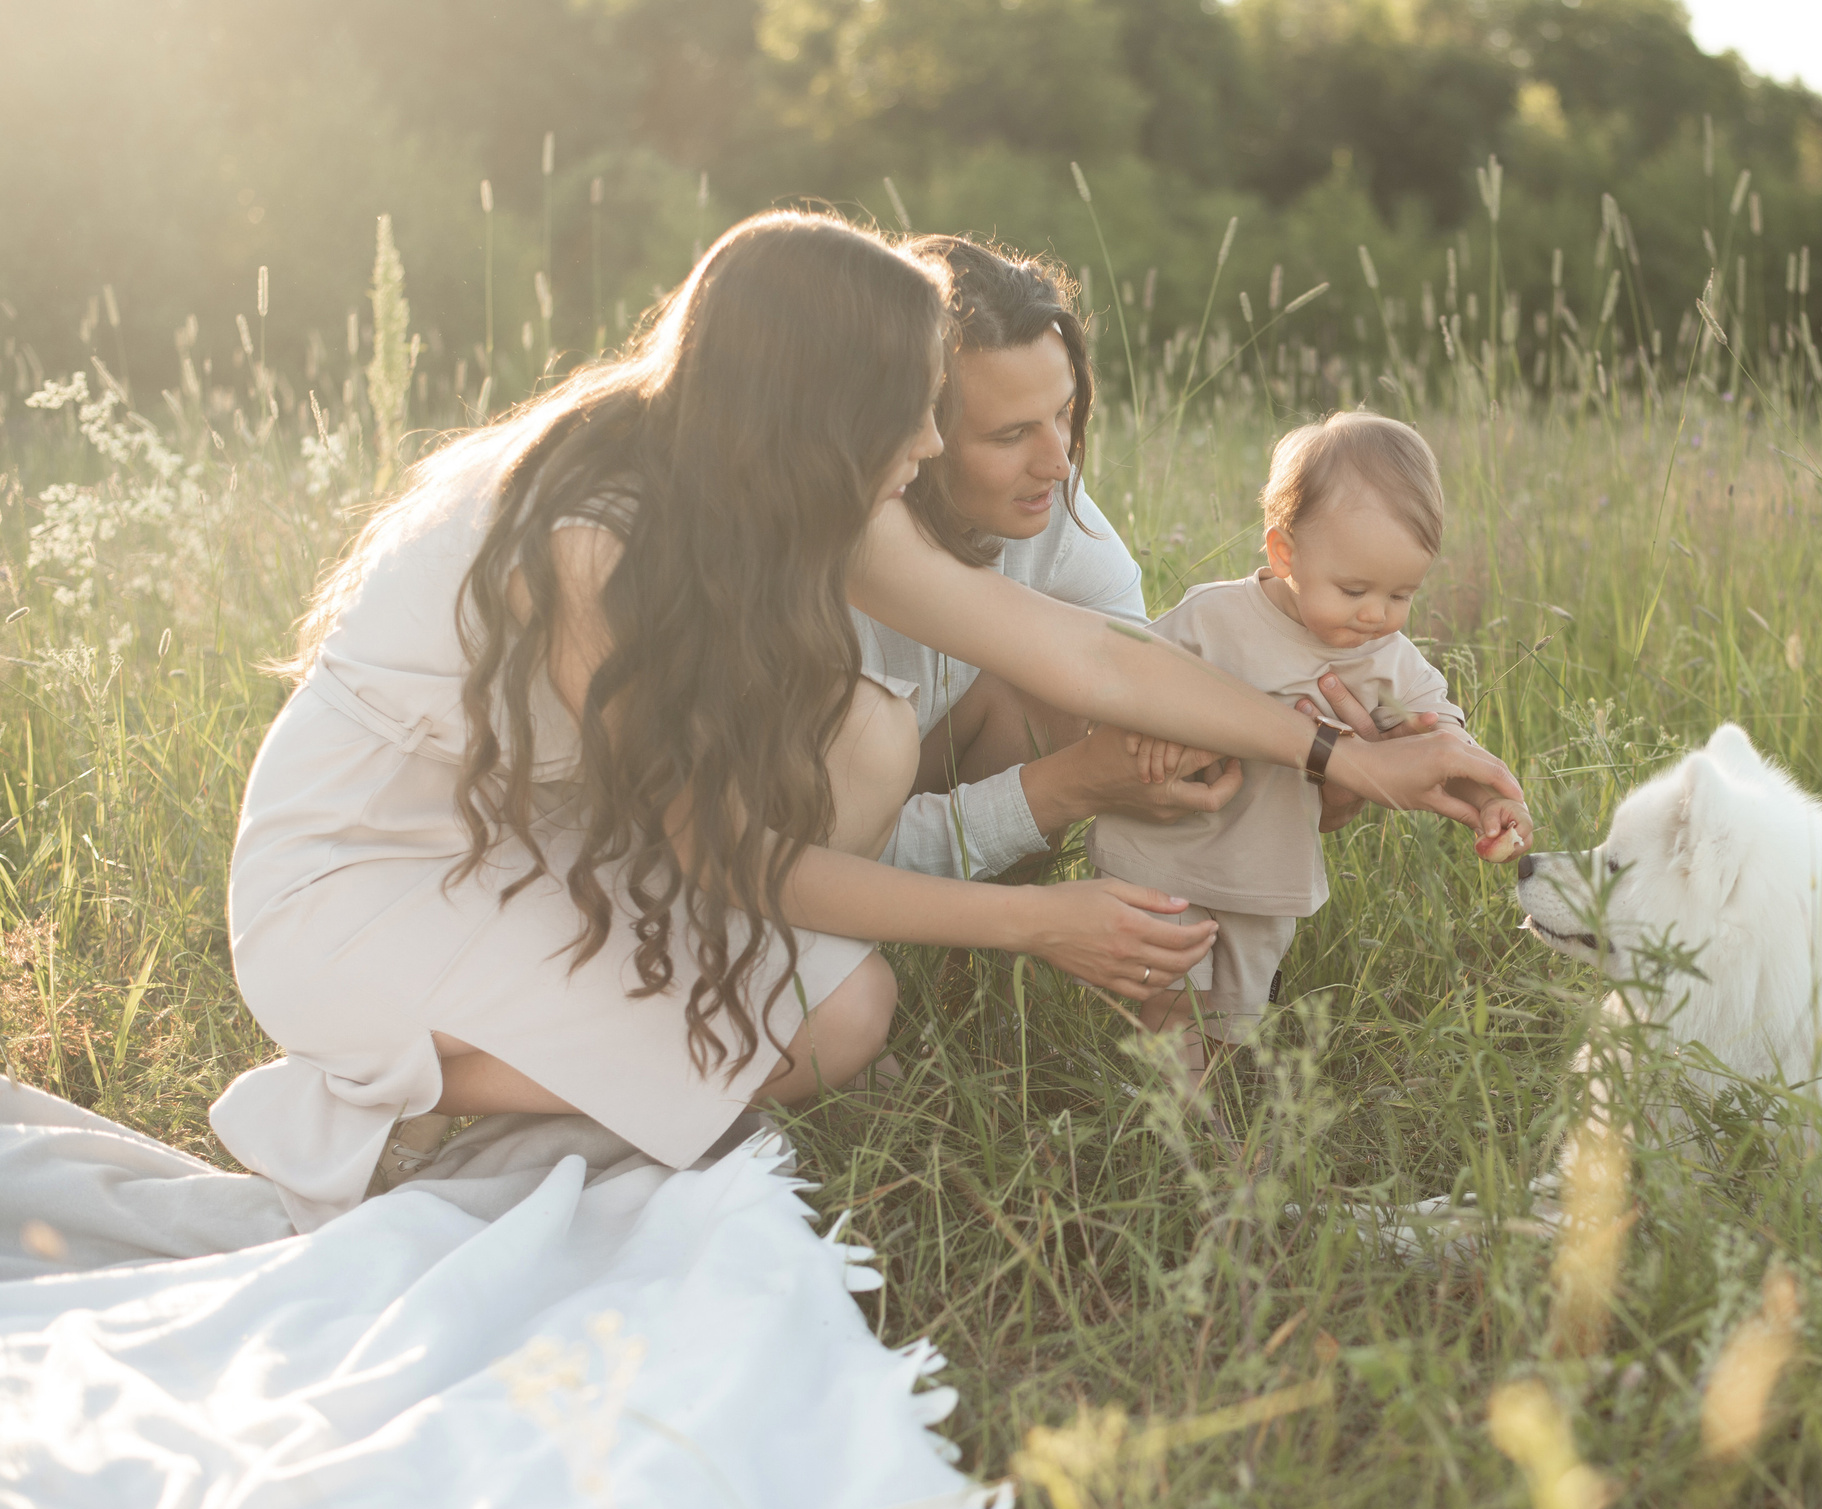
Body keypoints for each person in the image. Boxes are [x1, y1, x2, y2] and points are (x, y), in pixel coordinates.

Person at [213, 210, 1517, 1229]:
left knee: (842, 1015)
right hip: (370, 877)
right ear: (825, 405)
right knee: (828, 1014)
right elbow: (731, 863)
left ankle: (561, 1072)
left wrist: (1349, 754)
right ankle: (385, 1097)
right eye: (913, 405)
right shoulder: (593, 543)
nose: (925, 440)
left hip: (544, 847)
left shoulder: (796, 489)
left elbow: (1080, 654)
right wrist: (1036, 922)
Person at [1087, 412, 1533, 1100]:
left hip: (1265, 872)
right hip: (1164, 848)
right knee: (1167, 1003)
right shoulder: (1214, 618)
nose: (1375, 615)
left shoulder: (1383, 657)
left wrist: (1487, 797)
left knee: (1232, 1018)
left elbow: (1438, 732)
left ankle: (1209, 1109)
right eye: (1354, 590)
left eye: (1401, 594)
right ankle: (1187, 1133)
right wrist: (1149, 727)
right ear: (1286, 553)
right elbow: (1132, 676)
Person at [865, 234, 1242, 885]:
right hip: (807, 850)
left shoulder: (1048, 505)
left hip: (898, 799)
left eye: (1063, 413)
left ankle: (978, 981)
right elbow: (810, 863)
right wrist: (1063, 788)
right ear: (911, 424)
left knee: (1055, 697)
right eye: (1010, 434)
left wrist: (1311, 751)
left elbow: (1139, 680)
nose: (1059, 461)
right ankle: (1002, 929)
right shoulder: (833, 545)